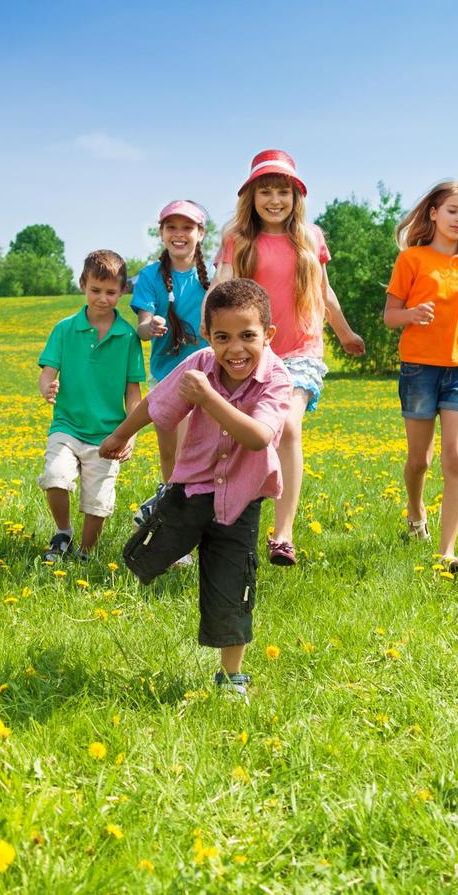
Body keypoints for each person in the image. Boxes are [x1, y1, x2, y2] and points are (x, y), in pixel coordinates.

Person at [99, 279, 291, 699]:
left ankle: (231, 676)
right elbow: (157, 402)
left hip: (242, 499)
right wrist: (119, 436)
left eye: (247, 336)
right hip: (192, 489)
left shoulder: (277, 380)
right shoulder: (199, 364)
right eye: (222, 337)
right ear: (208, 336)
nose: (235, 349)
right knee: (142, 557)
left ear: (268, 336)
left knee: (233, 583)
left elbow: (258, 437)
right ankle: (160, 520)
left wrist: (207, 399)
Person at [210, 149, 364, 566]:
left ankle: (283, 535)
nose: (274, 200)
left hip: (301, 351)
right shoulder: (237, 238)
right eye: (266, 192)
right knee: (247, 437)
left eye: (283, 191)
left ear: (296, 197)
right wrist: (214, 335)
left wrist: (346, 333)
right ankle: (232, 522)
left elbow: (324, 292)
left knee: (289, 428)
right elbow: (223, 288)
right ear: (251, 197)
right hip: (252, 352)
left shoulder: (311, 237)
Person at [383, 181, 458, 573]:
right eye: (453, 210)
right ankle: (415, 509)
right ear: (434, 213)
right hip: (419, 368)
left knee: (456, 458)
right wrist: (412, 315)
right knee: (420, 459)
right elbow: (390, 317)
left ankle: (446, 551)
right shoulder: (412, 260)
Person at [37, 250, 144, 563]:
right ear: (83, 284)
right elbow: (46, 375)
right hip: (67, 426)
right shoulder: (64, 329)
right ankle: (63, 533)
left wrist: (130, 435)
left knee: (98, 503)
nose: (102, 298)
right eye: (95, 290)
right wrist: (49, 389)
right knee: (55, 477)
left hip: (108, 435)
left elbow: (133, 394)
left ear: (123, 291)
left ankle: (84, 553)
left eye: (111, 292)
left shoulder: (127, 338)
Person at [130, 201, 211, 561]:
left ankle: (185, 522)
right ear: (162, 233)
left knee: (199, 455)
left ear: (200, 234)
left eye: (187, 227)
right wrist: (152, 326)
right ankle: (174, 532)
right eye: (171, 228)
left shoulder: (213, 275)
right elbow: (143, 326)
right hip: (167, 377)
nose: (179, 234)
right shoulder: (149, 276)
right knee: (172, 456)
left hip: (209, 376)